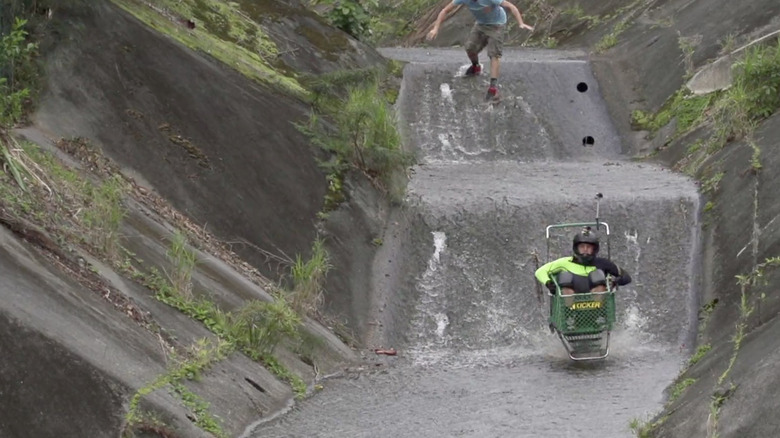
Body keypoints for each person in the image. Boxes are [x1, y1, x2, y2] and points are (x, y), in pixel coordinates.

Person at [426, 0, 534, 100]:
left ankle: (493, 88)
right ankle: (475, 66)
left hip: (497, 25)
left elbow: (510, 6)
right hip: (481, 24)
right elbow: (445, 10)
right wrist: (435, 28)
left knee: (494, 54)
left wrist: (520, 23)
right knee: (470, 48)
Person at [534, 228, 631, 307]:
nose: (585, 250)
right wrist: (548, 283)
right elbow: (540, 271)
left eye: (588, 247)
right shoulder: (565, 262)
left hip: (597, 307)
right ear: (576, 248)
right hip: (570, 307)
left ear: (594, 249)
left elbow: (626, 277)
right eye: (582, 247)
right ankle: (570, 316)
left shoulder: (603, 263)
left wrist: (615, 282)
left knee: (597, 276)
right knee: (565, 277)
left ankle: (596, 315)